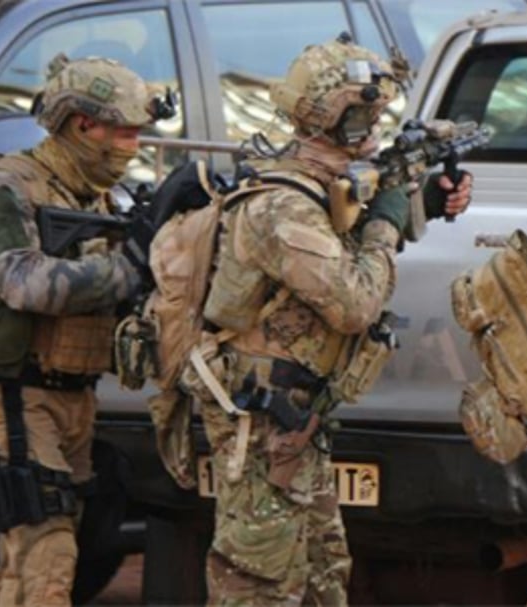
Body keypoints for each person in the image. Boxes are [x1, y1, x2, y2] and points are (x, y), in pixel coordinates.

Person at [184, 35, 472, 605]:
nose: (376, 125)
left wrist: (422, 204)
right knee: (259, 586)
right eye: (368, 115)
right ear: (338, 118)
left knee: (322, 579)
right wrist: (388, 222)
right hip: (262, 425)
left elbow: (343, 238)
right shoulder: (283, 205)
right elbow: (355, 302)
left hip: (297, 421)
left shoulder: (322, 187)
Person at [0, 55, 164, 606]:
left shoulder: (95, 196)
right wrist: (127, 268)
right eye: (122, 133)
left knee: (24, 563)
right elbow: (22, 283)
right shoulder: (4, 189)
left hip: (75, 398)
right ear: (82, 124)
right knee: (47, 556)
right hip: (17, 400)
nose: (132, 147)